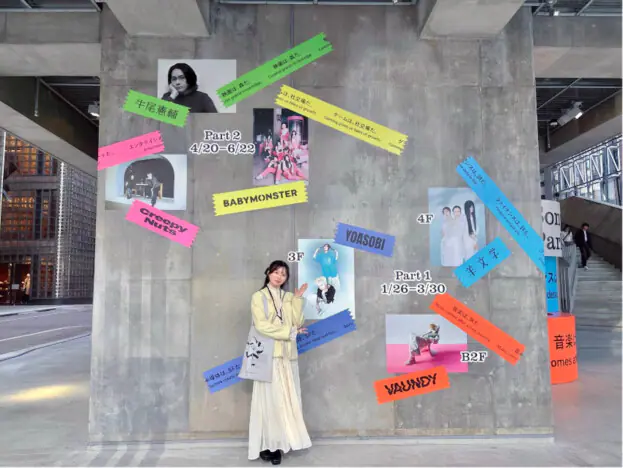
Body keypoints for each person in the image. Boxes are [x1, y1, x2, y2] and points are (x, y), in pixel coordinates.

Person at [248, 260, 312, 465]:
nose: (279, 276)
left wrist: (297, 300)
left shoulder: (288, 297)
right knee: (270, 402)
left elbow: (297, 323)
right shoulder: (258, 297)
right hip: (268, 355)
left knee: (286, 400)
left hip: (287, 356)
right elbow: (261, 325)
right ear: (268, 273)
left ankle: (280, 442)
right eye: (276, 272)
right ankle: (270, 445)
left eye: (283, 274)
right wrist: (289, 332)